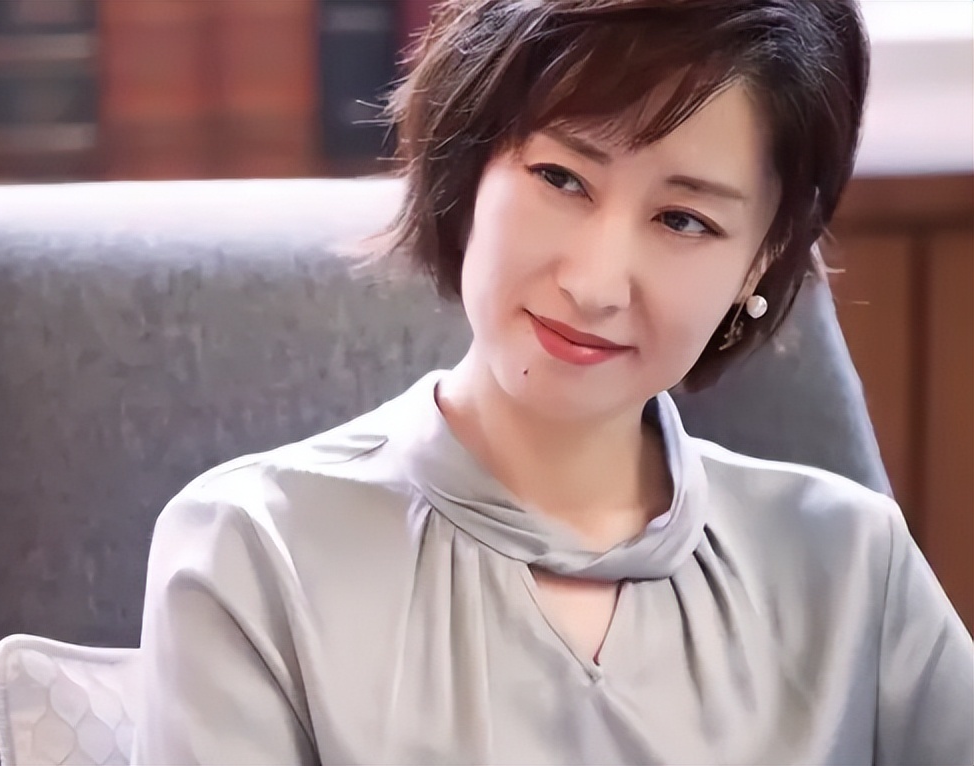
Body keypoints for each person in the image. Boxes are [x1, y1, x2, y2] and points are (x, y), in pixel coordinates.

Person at [132, 1, 974, 763]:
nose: (596, 284)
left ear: (760, 260)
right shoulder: (252, 553)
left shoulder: (854, 566)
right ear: (470, 162)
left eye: (683, 220)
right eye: (562, 178)